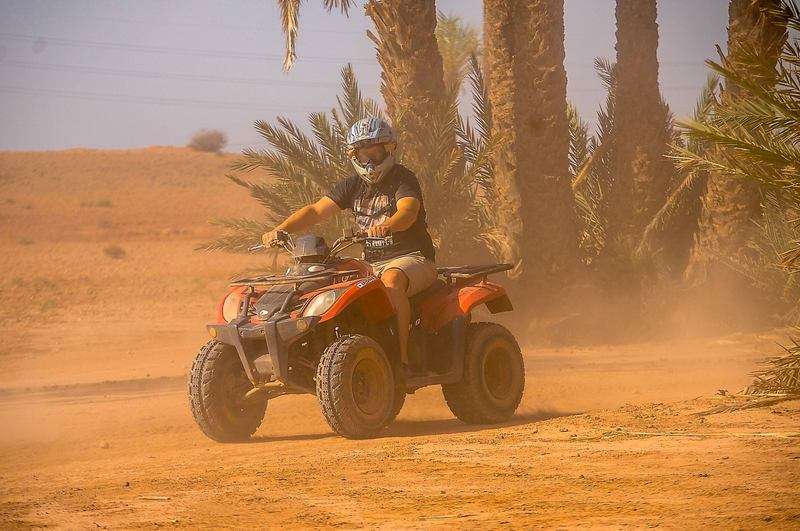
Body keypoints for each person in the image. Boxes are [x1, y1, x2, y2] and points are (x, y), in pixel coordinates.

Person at [261, 117, 437, 376]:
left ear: (388, 150)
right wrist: (282, 229)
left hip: (411, 258)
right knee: (328, 283)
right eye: (363, 153)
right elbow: (315, 210)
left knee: (391, 281)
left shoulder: (403, 179)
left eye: (375, 152)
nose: (370, 161)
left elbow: (408, 211)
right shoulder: (352, 186)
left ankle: (402, 359)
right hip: (369, 265)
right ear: (354, 155)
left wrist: (388, 224)